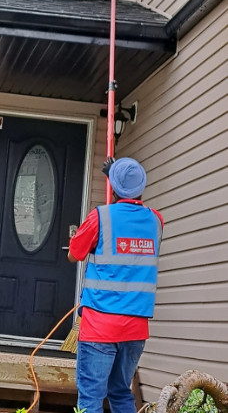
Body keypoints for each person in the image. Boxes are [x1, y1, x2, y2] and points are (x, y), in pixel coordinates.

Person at [68, 157, 164, 413]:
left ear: (113, 186)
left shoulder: (101, 217)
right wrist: (118, 178)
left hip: (100, 325)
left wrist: (114, 179)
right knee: (121, 393)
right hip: (135, 329)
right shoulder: (155, 221)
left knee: (90, 397)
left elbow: (74, 254)